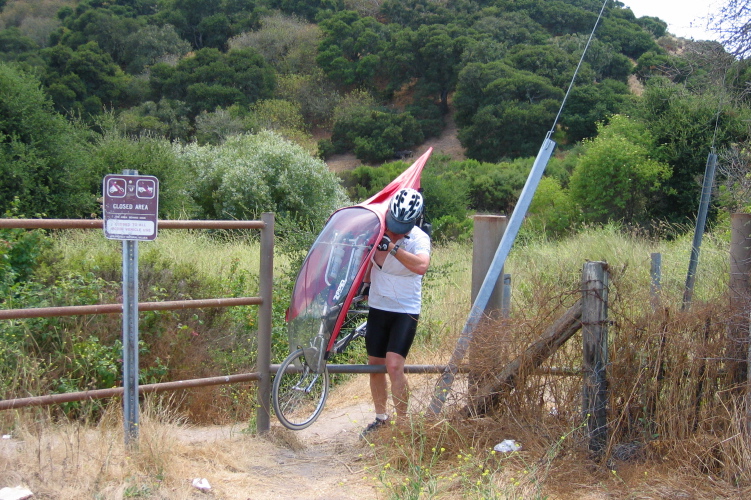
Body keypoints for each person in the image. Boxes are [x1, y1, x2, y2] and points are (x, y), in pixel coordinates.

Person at [360, 188, 431, 436]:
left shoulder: (419, 239)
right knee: (375, 364)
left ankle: (403, 423)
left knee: (394, 365)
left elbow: (422, 266)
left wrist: (392, 247)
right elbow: (368, 262)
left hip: (405, 309)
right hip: (378, 306)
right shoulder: (377, 229)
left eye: (403, 224)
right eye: (394, 222)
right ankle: (381, 418)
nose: (396, 227)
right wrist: (366, 285)